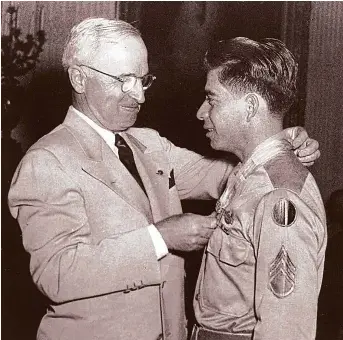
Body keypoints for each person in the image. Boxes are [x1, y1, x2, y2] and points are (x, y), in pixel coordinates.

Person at [8, 18, 319, 340]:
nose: (138, 96)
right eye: (123, 80)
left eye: (143, 80)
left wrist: (280, 147)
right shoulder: (47, 162)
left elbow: (237, 177)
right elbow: (56, 273)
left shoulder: (148, 145)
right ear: (79, 78)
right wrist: (158, 239)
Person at [192, 37, 327, 340]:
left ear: (250, 106)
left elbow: (285, 328)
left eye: (212, 100)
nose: (201, 112)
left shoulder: (279, 196)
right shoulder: (249, 175)